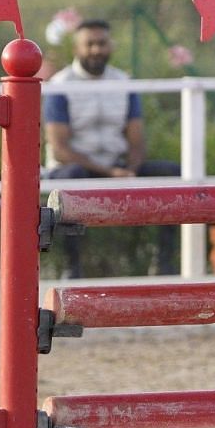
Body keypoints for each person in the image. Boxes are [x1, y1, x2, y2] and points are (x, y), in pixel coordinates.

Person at [44, 19, 180, 276]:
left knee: (172, 174)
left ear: (111, 46)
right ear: (77, 48)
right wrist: (109, 173)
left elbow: (137, 139)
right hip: (73, 169)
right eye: (90, 44)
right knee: (72, 180)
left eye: (102, 43)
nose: (96, 49)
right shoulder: (60, 85)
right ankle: (72, 267)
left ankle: (163, 263)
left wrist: (130, 169)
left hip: (117, 166)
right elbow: (60, 148)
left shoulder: (124, 81)